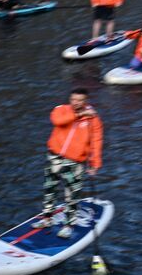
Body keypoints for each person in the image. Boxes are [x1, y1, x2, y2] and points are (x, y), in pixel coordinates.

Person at [41, 88, 103, 238]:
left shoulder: (93, 120)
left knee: (72, 194)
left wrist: (94, 164)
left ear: (86, 101)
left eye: (79, 100)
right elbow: (58, 121)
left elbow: (96, 142)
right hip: (54, 157)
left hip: (75, 161)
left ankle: (69, 225)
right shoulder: (61, 109)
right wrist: (79, 115)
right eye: (73, 99)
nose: (75, 103)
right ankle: (47, 218)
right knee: (50, 188)